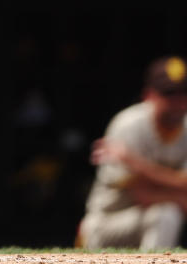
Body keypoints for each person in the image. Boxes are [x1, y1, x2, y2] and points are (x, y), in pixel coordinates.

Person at [78, 56, 187, 249]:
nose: (178, 102)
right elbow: (142, 195)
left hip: (151, 226)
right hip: (108, 224)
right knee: (166, 213)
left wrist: (135, 163)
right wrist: (178, 192)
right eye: (169, 94)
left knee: (166, 213)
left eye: (183, 93)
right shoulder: (128, 125)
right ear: (149, 95)